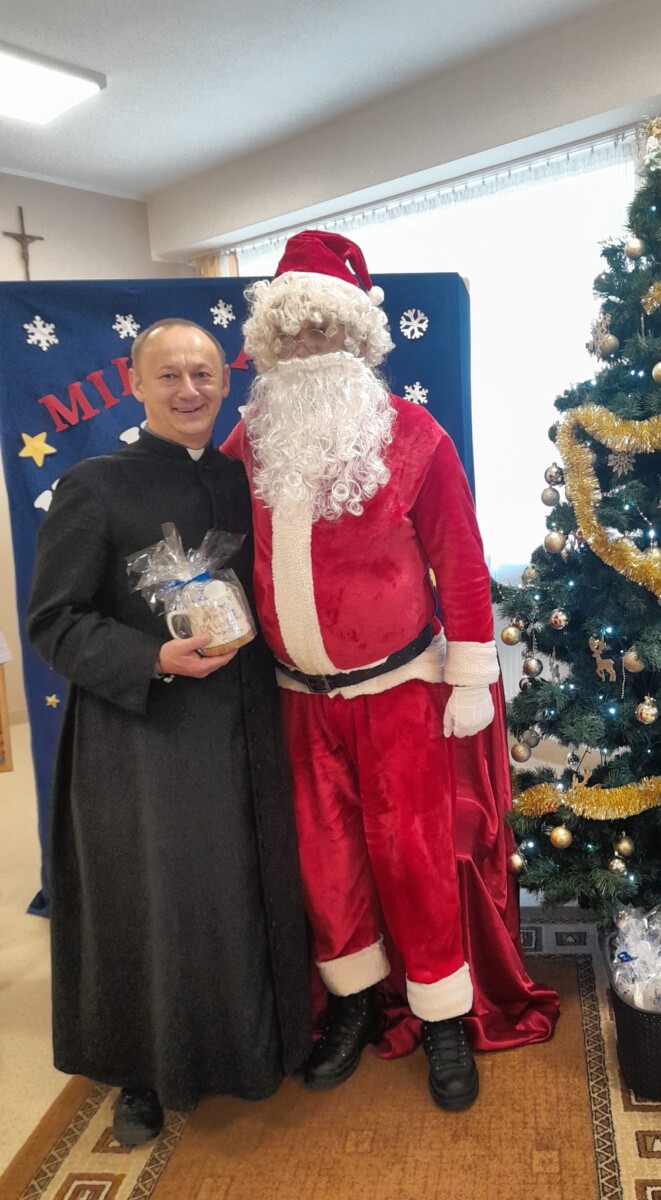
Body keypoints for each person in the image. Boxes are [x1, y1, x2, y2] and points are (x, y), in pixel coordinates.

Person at [223, 231, 558, 1113]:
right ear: (271, 343)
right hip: (296, 701)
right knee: (324, 862)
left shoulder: (412, 435)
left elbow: (463, 560)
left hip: (399, 694)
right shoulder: (252, 441)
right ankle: (354, 1002)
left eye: (324, 329)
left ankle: (442, 1013)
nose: (308, 347)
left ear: (358, 338)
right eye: (292, 332)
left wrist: (471, 676)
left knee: (414, 858)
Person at [27, 318, 310, 1146]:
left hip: (251, 723)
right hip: (144, 740)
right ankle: (142, 1071)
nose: (190, 390)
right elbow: (54, 621)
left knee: (246, 892)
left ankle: (262, 1045)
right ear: (134, 382)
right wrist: (153, 656)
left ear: (227, 381)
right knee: (155, 907)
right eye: (170, 375)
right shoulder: (93, 485)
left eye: (204, 373)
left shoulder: (244, 480)